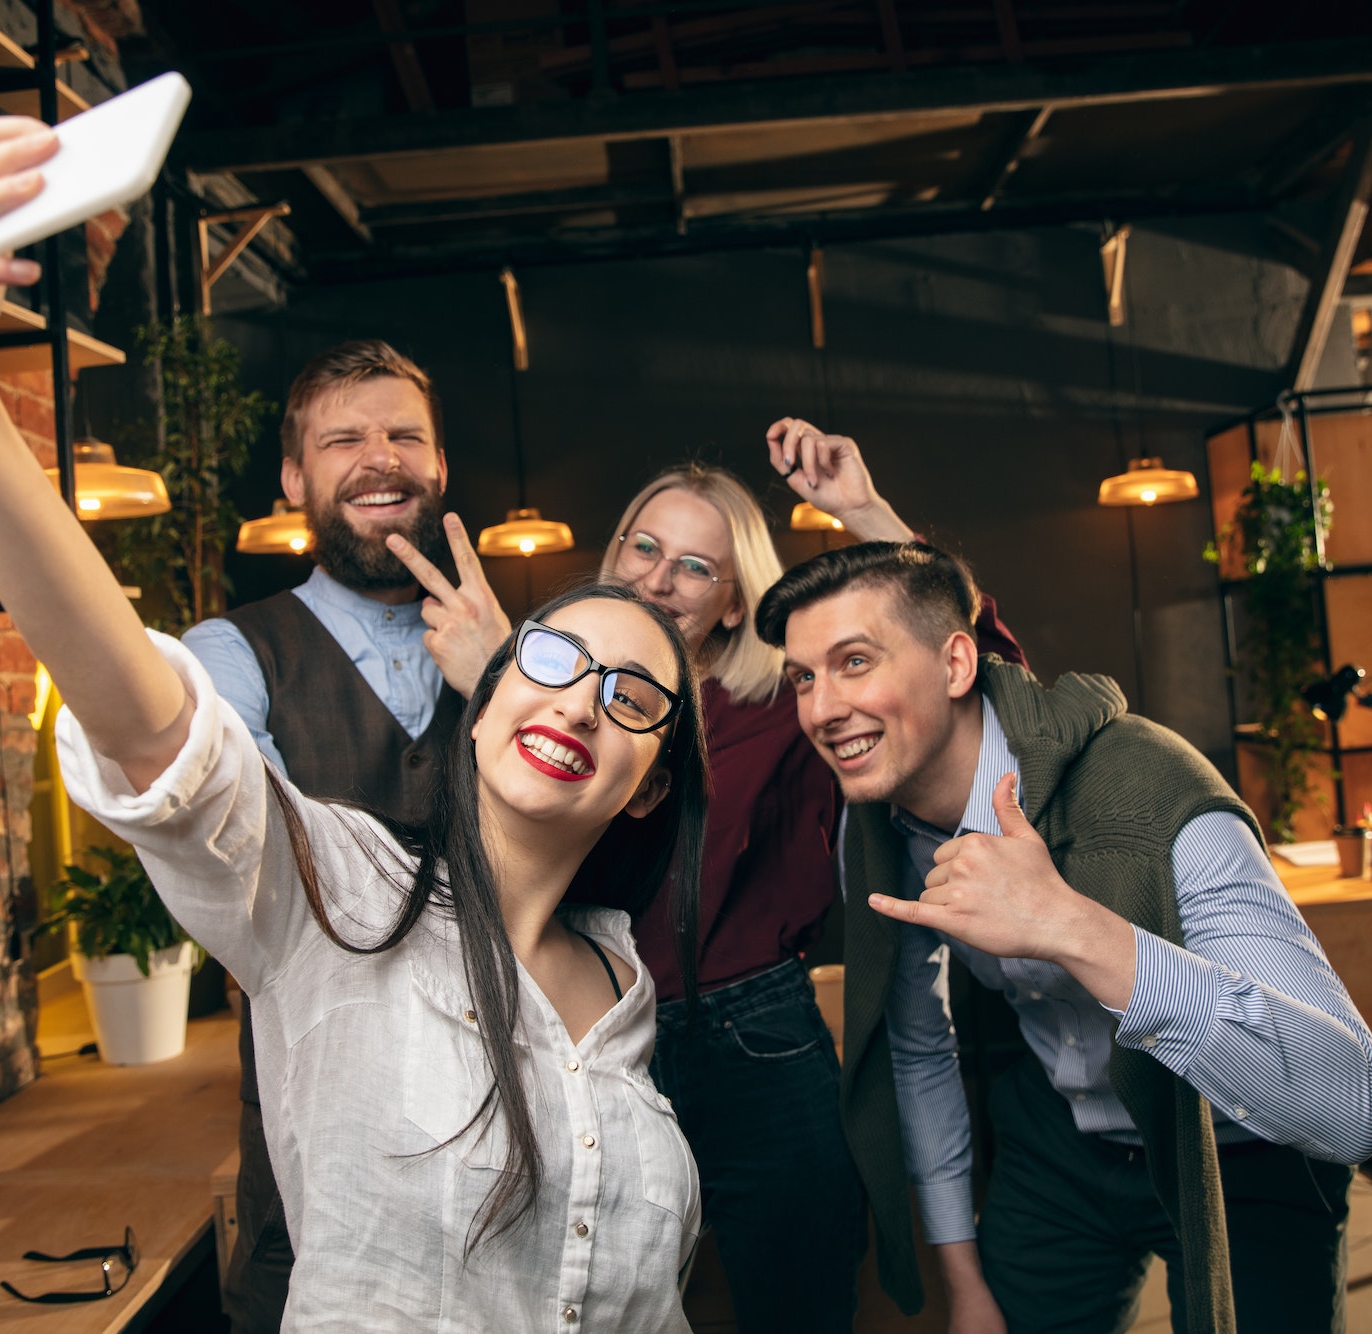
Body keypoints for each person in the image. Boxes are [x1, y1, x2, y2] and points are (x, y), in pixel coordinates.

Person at [0, 117, 712, 1330]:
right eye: (555, 658)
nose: (578, 693)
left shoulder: (622, 983)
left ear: (647, 782)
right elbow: (172, 752)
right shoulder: (343, 895)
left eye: (629, 693)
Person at [392, 419, 1023, 1332]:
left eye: (694, 565)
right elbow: (501, 856)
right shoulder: (539, 695)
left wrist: (865, 512)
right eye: (642, 548)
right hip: (592, 1029)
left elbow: (978, 678)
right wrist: (499, 681)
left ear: (733, 602)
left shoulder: (788, 702)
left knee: (798, 1300)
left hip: (756, 1040)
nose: (658, 576)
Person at [755, 540, 1372, 1334]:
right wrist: (965, 1285)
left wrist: (1069, 925)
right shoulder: (875, 821)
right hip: (1063, 1133)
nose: (819, 709)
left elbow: (1353, 1105)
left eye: (854, 662)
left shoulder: (1153, 791)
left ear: (956, 665)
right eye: (804, 679)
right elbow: (918, 1049)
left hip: (1242, 1146)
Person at [177, 338, 498, 1332]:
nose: (380, 455)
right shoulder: (228, 654)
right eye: (343, 437)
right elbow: (237, 846)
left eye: (405, 433)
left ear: (438, 466)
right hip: (309, 1102)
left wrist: (504, 679)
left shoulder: (534, 652)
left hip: (505, 1086)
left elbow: (598, 846)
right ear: (293, 476)